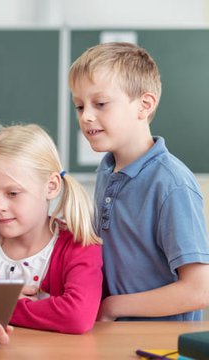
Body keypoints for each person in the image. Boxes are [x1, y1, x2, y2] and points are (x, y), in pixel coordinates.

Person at [69, 42, 209, 321]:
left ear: (144, 106)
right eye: (80, 106)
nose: (86, 116)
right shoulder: (106, 171)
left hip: (160, 344)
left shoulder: (171, 184)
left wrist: (112, 307)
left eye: (100, 104)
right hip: (115, 337)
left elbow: (199, 290)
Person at [0, 124, 103, 338]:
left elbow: (77, 316)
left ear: (50, 187)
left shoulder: (79, 245)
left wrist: (0, 305)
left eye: (12, 193)